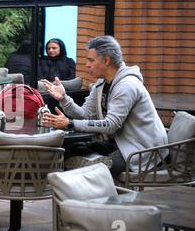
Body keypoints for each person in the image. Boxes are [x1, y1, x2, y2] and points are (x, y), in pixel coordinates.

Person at [41, 35, 168, 177]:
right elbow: (85, 114)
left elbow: (110, 125)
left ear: (106, 60)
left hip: (141, 151)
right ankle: (85, 194)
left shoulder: (127, 85)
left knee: (94, 172)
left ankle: (97, 195)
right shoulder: (101, 84)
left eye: (91, 60)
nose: (87, 65)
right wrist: (64, 98)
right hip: (118, 145)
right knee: (71, 150)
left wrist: (69, 124)